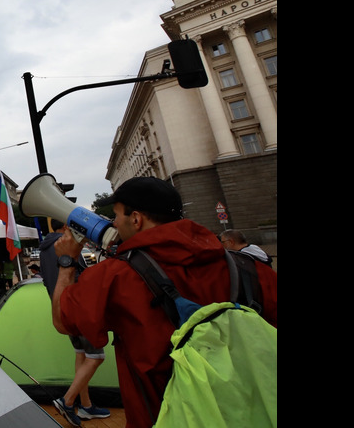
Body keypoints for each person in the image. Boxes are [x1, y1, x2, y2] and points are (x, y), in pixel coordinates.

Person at [51, 177, 278, 428]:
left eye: (115, 216)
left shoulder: (114, 277)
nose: (113, 224)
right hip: (259, 411)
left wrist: (66, 263)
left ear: (136, 219)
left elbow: (63, 320)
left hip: (161, 416)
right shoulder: (250, 269)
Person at [38, 222, 110, 426]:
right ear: (65, 227)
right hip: (79, 307)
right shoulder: (71, 246)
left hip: (61, 307)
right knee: (96, 356)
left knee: (81, 354)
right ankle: (67, 401)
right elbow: (85, 275)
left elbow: (45, 280)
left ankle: (86, 405)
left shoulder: (44, 249)